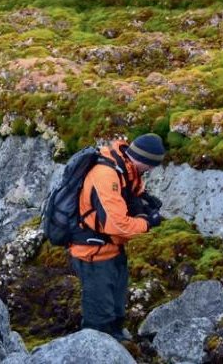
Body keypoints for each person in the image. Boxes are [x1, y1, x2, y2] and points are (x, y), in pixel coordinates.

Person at [69, 133, 165, 341]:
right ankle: (94, 349)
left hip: (112, 249)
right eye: (151, 166)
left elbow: (133, 195)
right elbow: (116, 225)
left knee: (116, 311)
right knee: (99, 318)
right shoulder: (106, 174)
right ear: (145, 161)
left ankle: (117, 341)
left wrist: (143, 206)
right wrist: (147, 223)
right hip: (92, 253)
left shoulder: (127, 169)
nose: (151, 171)